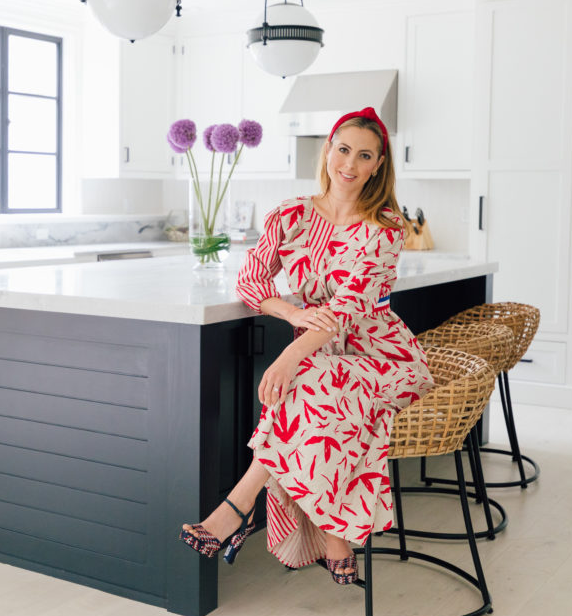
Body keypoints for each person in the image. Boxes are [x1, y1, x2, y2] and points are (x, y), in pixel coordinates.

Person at [179, 107, 433, 584]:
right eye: (343, 150)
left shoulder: (386, 228)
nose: (350, 165)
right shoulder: (290, 214)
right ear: (327, 150)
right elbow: (252, 282)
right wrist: (292, 314)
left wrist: (289, 355)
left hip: (383, 356)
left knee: (306, 381)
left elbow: (349, 308)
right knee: (313, 388)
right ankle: (331, 536)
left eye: (364, 156)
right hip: (322, 358)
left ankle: (237, 506)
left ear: (378, 165)